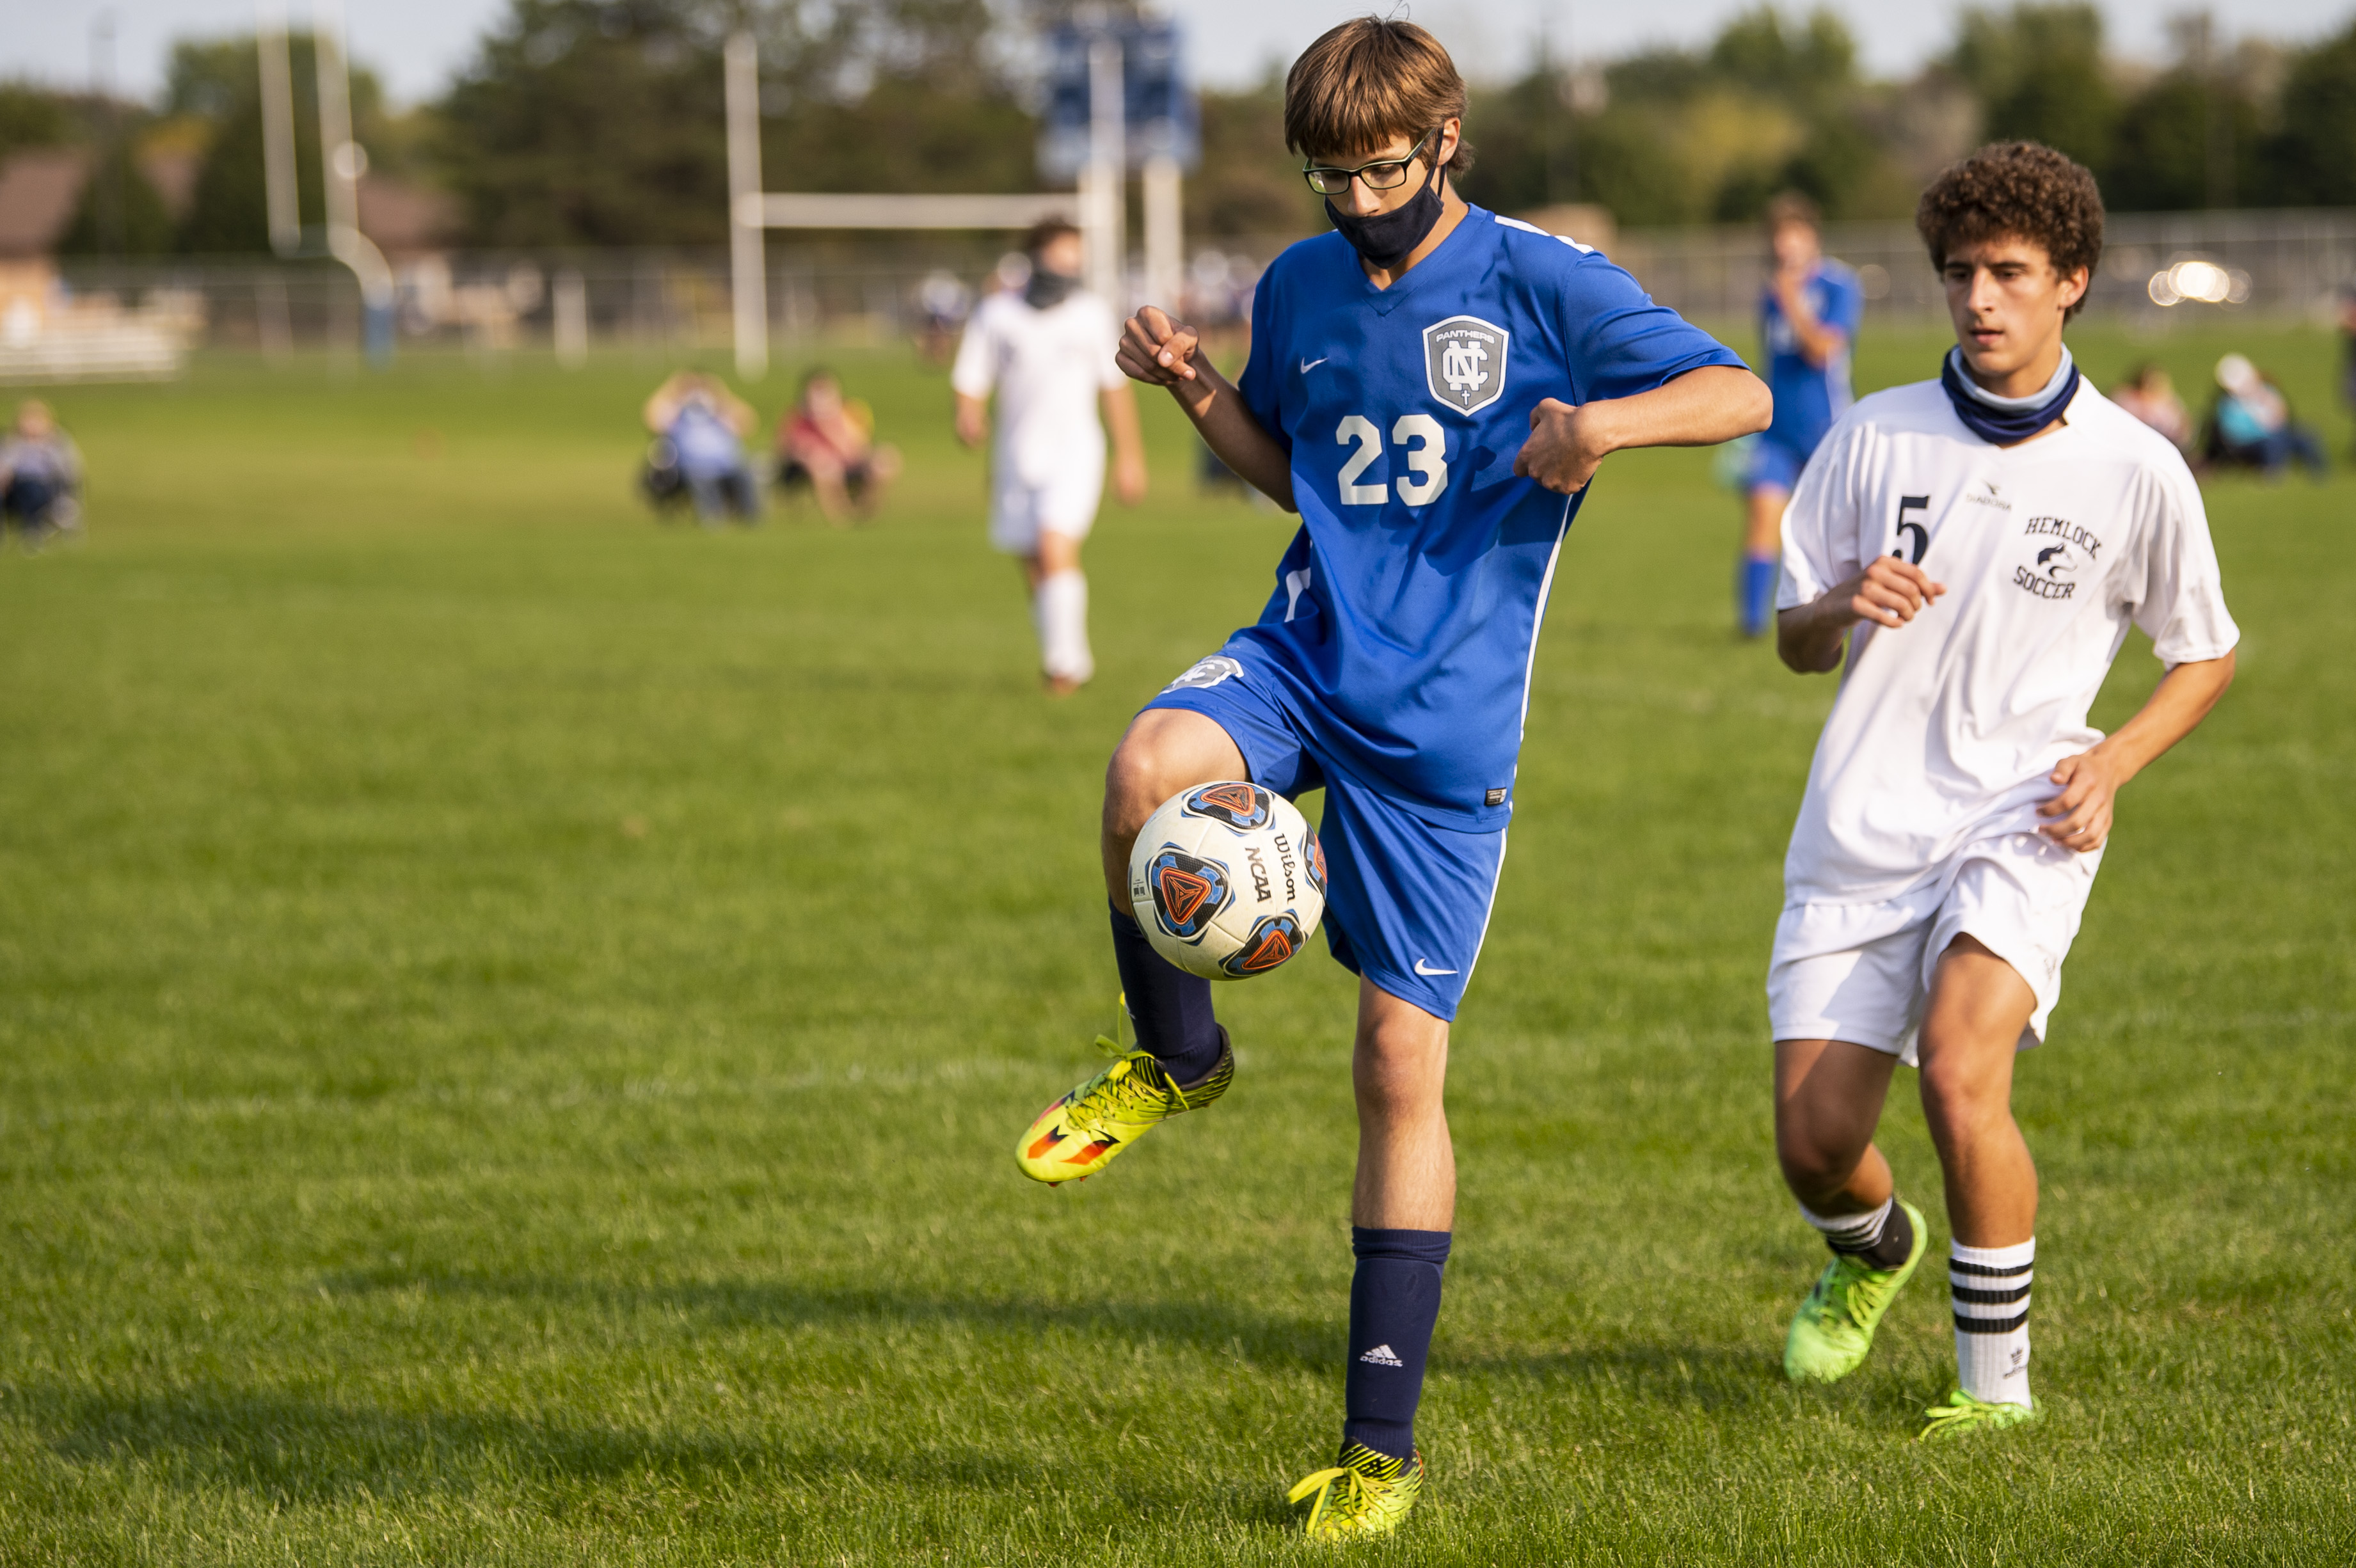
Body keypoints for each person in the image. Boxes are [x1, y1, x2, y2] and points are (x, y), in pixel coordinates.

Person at [1011, 19, 1769, 1539]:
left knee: (1393, 1068)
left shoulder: (1541, 278)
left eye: (1382, 169)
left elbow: (1739, 393)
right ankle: (1179, 1057)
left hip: (1444, 733)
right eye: (1328, 175)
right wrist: (1194, 389)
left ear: (1447, 140)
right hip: (1306, 651)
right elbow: (1307, 474)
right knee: (1144, 766)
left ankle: (1377, 1448)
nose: (1358, 199)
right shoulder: (1297, 284)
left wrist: (1601, 425)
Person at [1767, 142, 2238, 1442]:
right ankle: (1871, 1251)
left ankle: (1994, 1395)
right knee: (1810, 1141)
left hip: (2020, 813)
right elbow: (1792, 637)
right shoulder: (1871, 437)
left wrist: (2111, 761)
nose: (1978, 297)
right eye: (1959, 273)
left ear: (2069, 282)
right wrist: (1830, 604)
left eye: (2009, 274)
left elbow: (2204, 649)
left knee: (1961, 1073)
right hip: (1861, 822)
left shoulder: (2134, 467)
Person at [950, 218, 1148, 695]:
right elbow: (971, 378)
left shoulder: (1090, 314)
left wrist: (1130, 457)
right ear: (1035, 257)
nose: (1068, 268)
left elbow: (1114, 389)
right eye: (1060, 257)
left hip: (1076, 452)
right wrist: (969, 415)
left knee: (1055, 544)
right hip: (1016, 455)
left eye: (1075, 260)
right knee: (1033, 560)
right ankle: (1060, 656)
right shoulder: (997, 314)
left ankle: (1065, 666)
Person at [1736, 193, 1863, 638]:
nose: (1785, 246)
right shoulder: (1770, 295)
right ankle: (1750, 629)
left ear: (1812, 238)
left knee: (1832, 534)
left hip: (1824, 430)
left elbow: (1822, 349)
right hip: (1775, 432)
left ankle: (1843, 618)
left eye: (1794, 235)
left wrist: (1792, 298)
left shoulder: (1839, 285)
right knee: (1761, 514)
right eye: (1778, 237)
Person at [776, 367, 900, 525]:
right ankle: (842, 520)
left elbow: (860, 444)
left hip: (850, 462)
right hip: (816, 467)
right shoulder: (797, 418)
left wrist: (830, 423)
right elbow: (784, 448)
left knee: (886, 459)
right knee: (823, 465)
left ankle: (865, 512)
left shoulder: (851, 412)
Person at [642, 371, 761, 525]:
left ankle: (750, 520)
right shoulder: (676, 411)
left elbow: (749, 424)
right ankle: (713, 519)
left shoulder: (719, 409)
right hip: (692, 466)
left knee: (745, 476)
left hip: (727, 465)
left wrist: (720, 394)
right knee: (703, 479)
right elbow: (652, 421)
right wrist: (673, 388)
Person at [2202, 352, 2326, 479]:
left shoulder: (2266, 391)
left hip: (2278, 434)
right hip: (2252, 443)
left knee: (2306, 435)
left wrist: (2267, 402)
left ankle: (2318, 473)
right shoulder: (2228, 404)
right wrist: (2263, 429)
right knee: (2273, 442)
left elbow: (2284, 414)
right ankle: (2273, 474)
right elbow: (2235, 432)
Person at [0, 399, 84, 549]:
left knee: (32, 488)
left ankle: (32, 531)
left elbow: (70, 471)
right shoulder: (13, 442)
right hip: (14, 489)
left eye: (36, 421)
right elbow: (5, 466)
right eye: (28, 421)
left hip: (44, 489)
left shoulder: (57, 443)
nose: (31, 426)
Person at [2110, 362, 2192, 454]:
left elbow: (2184, 426)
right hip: (2133, 442)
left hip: (2166, 442)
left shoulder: (2168, 401)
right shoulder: (2128, 398)